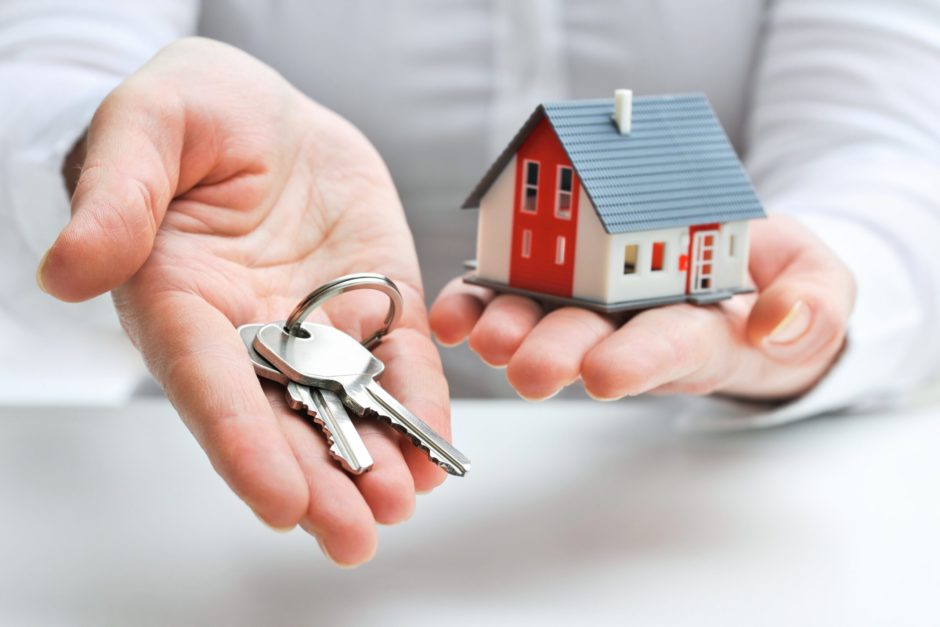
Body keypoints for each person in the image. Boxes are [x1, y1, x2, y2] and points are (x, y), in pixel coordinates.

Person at [1, 1, 938, 567]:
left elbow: (889, 145)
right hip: (173, 498)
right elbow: (43, 67)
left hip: (716, 496)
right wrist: (109, 150)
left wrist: (819, 290)